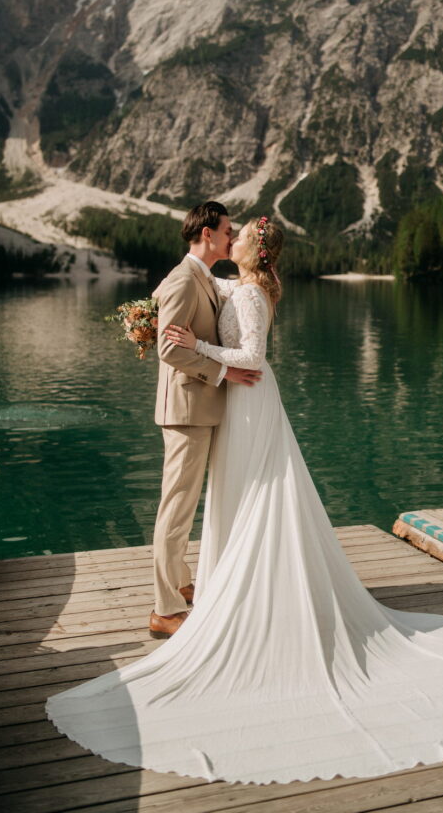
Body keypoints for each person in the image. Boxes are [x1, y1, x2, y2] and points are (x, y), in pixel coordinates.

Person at [47, 216, 443, 785]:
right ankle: (210, 587)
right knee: (241, 496)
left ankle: (219, 591)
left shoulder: (246, 291)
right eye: (229, 230)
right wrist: (160, 324)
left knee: (253, 495)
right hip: (234, 403)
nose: (233, 236)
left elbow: (253, 356)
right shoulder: (232, 284)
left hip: (244, 398)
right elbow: (197, 291)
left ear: (251, 249)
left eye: (240, 234)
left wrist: (201, 348)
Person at [149, 201, 261, 636]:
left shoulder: (200, 276)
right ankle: (164, 609)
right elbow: (169, 349)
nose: (232, 238)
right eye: (228, 231)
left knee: (183, 504)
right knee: (176, 509)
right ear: (209, 234)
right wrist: (223, 371)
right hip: (186, 410)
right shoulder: (185, 278)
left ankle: (180, 582)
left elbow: (168, 308)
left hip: (198, 409)